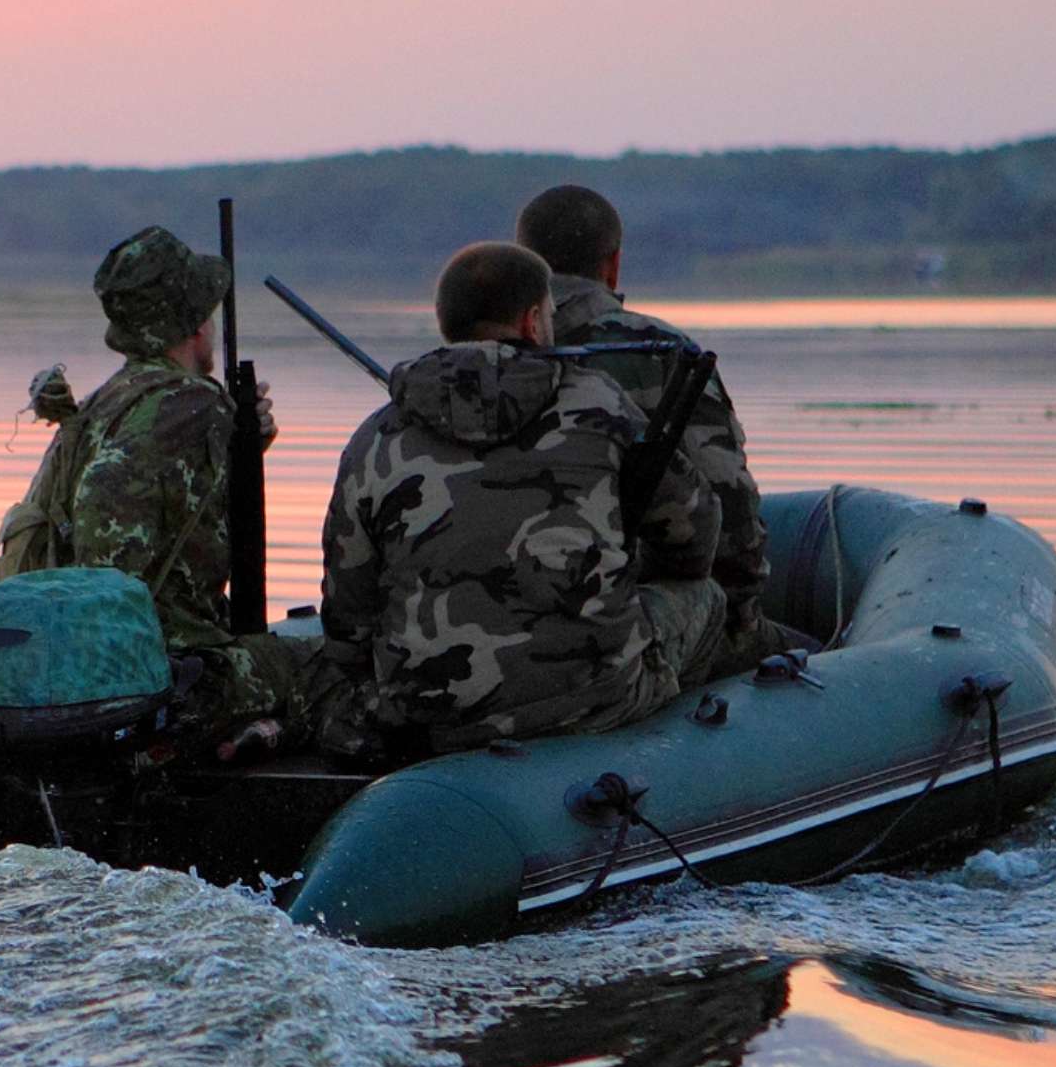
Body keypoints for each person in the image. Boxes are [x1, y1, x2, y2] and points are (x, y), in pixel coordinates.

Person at [312, 242, 751, 762]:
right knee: (705, 596)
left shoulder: (376, 435)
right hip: (592, 702)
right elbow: (696, 535)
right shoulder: (600, 404)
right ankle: (677, 760)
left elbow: (348, 615)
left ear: (445, 324)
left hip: (432, 720)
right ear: (533, 320)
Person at [0, 226, 302, 752]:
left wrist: (246, 447)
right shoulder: (197, 405)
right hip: (158, 672)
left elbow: (155, 502)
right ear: (198, 325)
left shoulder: (104, 403)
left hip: (71, 663)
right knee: (326, 669)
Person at [515, 183, 784, 663]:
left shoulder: (481, 363)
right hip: (631, 629)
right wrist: (741, 618)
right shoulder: (662, 352)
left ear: (522, 262)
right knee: (805, 653)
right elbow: (728, 502)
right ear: (613, 263)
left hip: (510, 624)